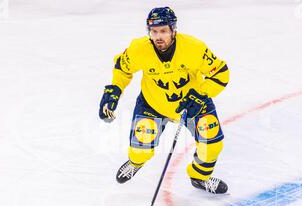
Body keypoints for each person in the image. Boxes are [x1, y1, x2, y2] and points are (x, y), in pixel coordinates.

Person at [98, 7, 229, 194]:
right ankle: (136, 162)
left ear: (173, 30)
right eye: (154, 31)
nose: (158, 36)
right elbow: (122, 68)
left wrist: (201, 95)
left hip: (192, 102)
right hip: (153, 104)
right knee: (141, 147)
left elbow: (221, 73)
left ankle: (199, 177)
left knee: (212, 143)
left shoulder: (194, 48)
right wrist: (115, 90)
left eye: (163, 31)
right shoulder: (139, 49)